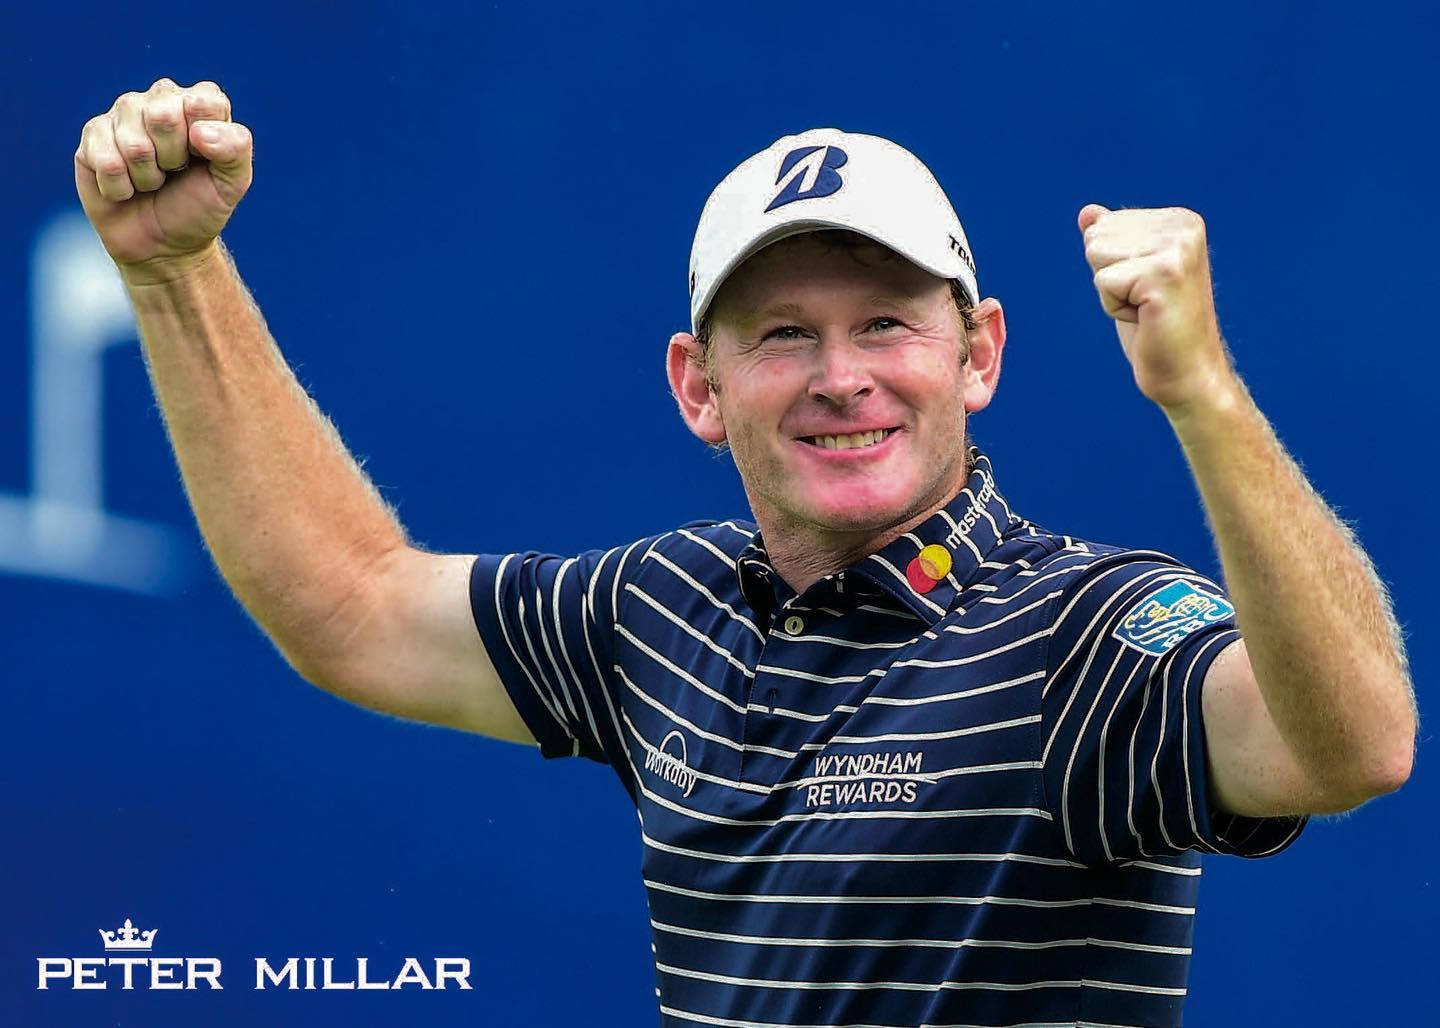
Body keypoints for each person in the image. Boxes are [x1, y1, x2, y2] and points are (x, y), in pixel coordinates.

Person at [74, 79, 1416, 1027]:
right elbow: (349, 605)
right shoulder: (661, 610)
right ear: (696, 387)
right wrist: (176, 271)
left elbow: (1353, 747)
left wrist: (1207, 399)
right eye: (783, 335)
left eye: (888, 322)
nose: (842, 377)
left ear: (981, 354)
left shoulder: (1088, 631)